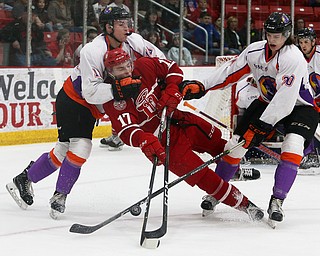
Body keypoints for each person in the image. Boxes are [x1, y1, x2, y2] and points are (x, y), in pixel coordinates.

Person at [6, 6, 165, 219]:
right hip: (74, 101)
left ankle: (25, 179)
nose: (128, 27)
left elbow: (159, 59)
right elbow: (90, 93)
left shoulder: (133, 41)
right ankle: (59, 195)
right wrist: (119, 89)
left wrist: (169, 80)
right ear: (108, 27)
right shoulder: (93, 50)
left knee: (63, 149)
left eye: (128, 22)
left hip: (92, 105)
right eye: (121, 23)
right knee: (81, 146)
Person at [183, 12, 318, 224]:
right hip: (266, 102)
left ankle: (277, 200)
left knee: (292, 146)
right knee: (235, 145)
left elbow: (284, 100)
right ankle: (218, 191)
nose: (272, 40)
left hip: (299, 106)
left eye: (278, 36)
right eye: (269, 34)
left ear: (287, 34)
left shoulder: (293, 57)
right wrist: (203, 86)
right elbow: (229, 71)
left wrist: (260, 126)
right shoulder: (254, 51)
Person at [102, 48, 265, 221]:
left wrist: (172, 88)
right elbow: (127, 131)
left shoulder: (143, 65)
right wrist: (144, 139)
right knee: (202, 175)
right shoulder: (114, 100)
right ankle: (245, 204)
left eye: (128, 65)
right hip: (164, 142)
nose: (128, 70)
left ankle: (235, 172)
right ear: (110, 72)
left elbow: (172, 69)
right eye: (121, 69)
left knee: (219, 144)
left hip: (179, 119)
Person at [296, 27, 320, 174]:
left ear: (313, 42)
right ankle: (309, 153)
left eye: (306, 42)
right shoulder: (298, 58)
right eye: (301, 42)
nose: (303, 45)